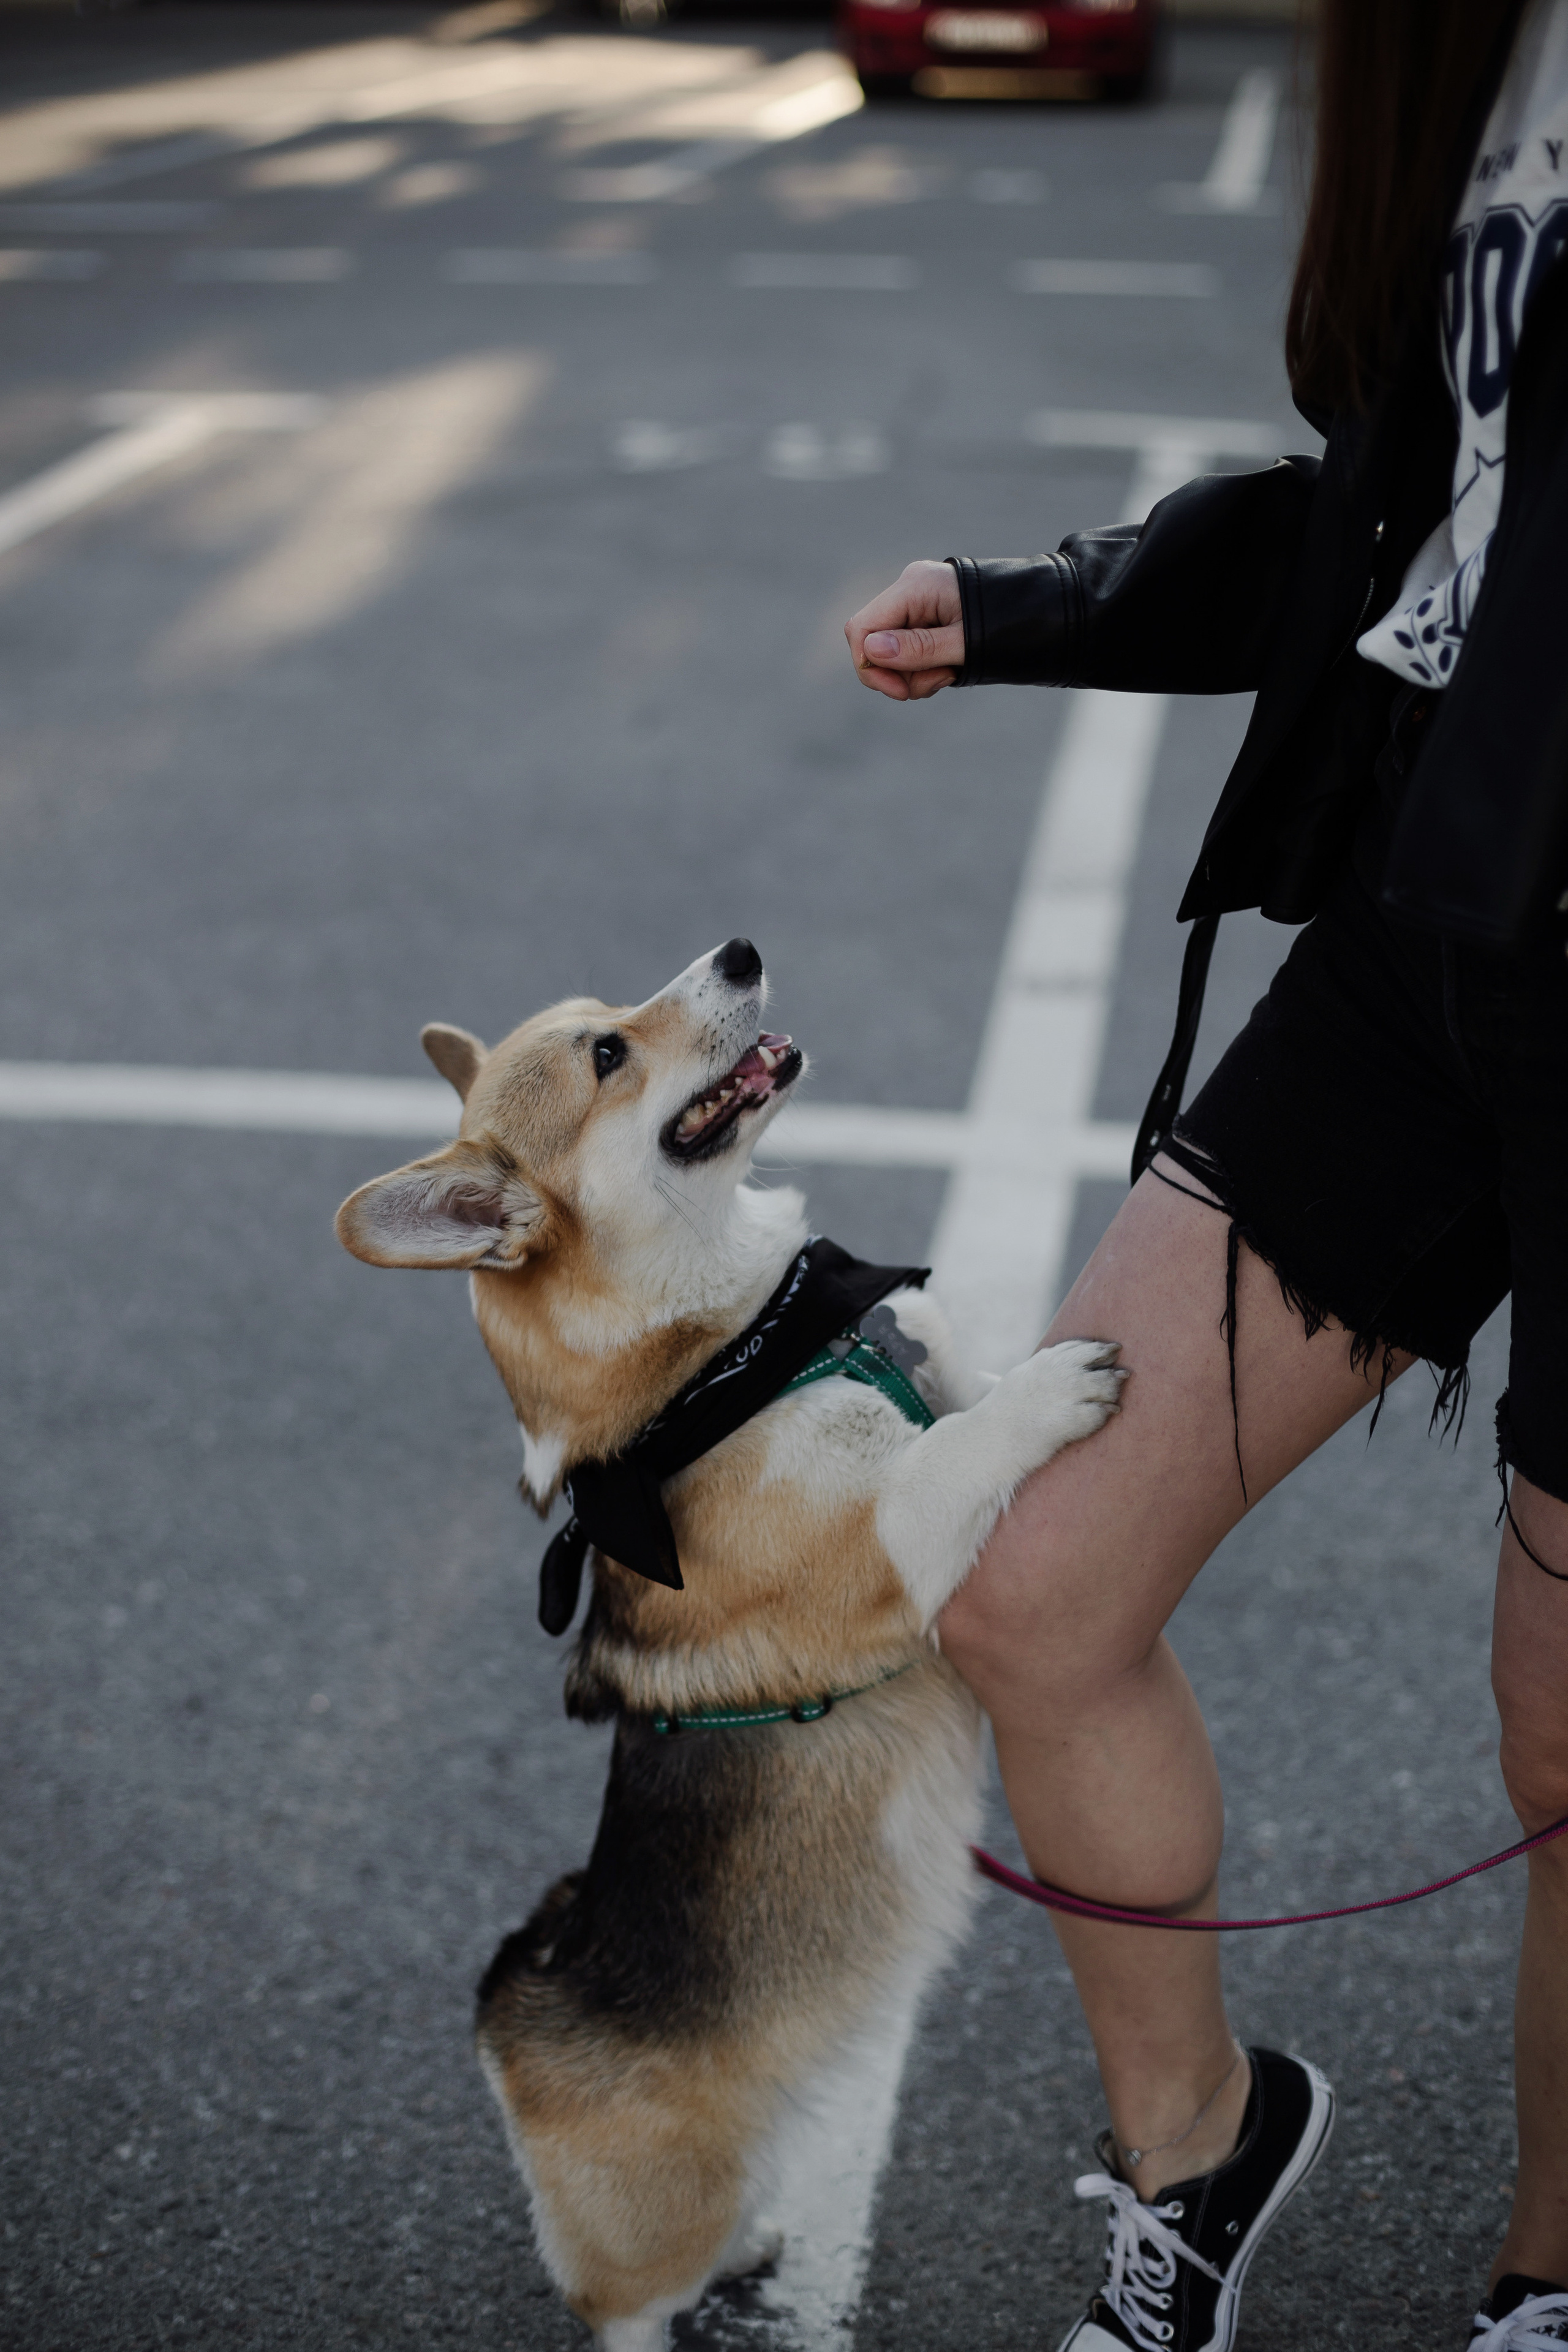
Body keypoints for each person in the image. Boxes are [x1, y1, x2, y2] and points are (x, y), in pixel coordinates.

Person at [843, 2, 1568, 2348]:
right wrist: (1050, 603)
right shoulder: (1466, 49)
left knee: (1567, 1738)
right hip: (1430, 936)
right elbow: (1414, 509)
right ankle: (1201, 2150)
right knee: (1031, 1585)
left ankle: (1554, 2279)